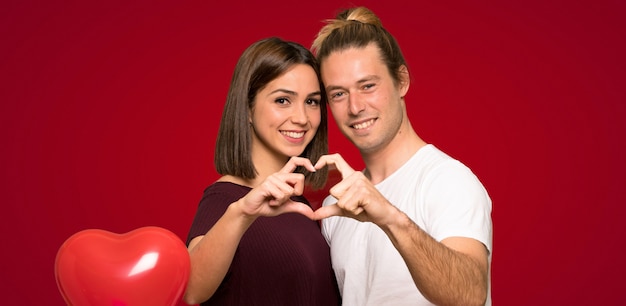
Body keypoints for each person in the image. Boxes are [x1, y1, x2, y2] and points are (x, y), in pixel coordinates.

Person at [310, 7, 493, 306]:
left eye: (368, 86)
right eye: (339, 94)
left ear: (401, 81)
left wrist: (390, 218)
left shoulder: (448, 180)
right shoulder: (337, 205)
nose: (355, 107)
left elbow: (469, 295)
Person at [184, 37, 340, 306]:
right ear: (247, 108)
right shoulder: (225, 200)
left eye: (312, 102)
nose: (302, 118)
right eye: (283, 100)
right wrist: (243, 211)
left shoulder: (298, 203)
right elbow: (191, 291)